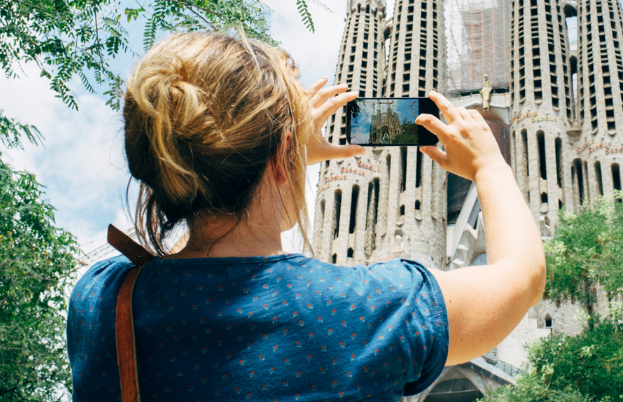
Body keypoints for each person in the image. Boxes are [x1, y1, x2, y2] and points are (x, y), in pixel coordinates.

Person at [67, 31, 545, 401]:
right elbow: (521, 278)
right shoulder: (368, 310)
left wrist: (277, 158)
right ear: (282, 155)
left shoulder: (102, 299)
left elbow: (193, 263)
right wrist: (490, 164)